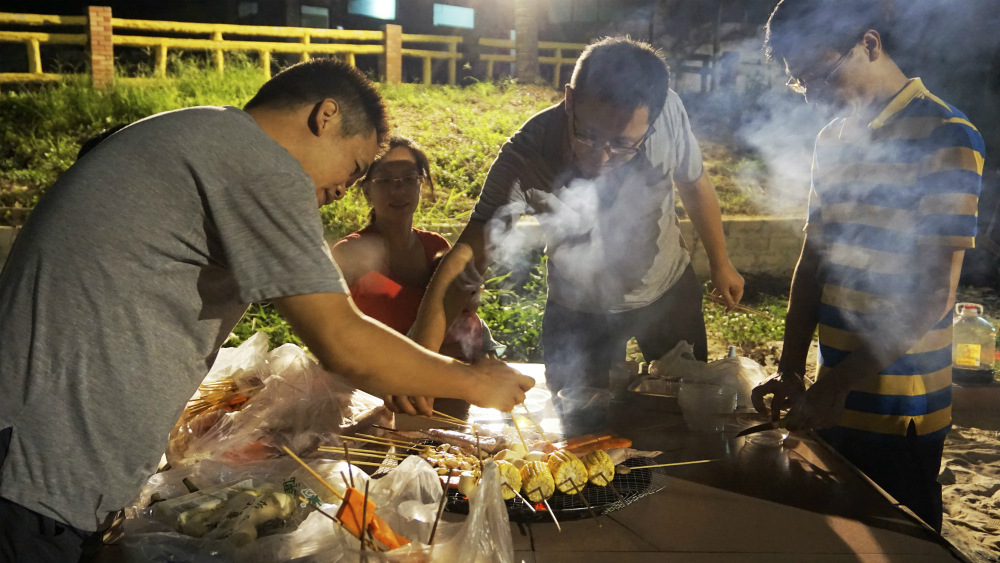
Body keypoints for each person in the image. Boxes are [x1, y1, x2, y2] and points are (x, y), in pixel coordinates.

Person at [0, 58, 533, 563]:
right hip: (33, 475)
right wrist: (475, 383)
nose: (346, 188)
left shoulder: (196, 136)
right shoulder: (256, 161)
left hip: (40, 464)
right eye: (356, 166)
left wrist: (402, 369)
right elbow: (340, 337)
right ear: (326, 117)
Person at [751, 0, 985, 533]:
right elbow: (812, 264)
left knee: (905, 540)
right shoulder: (831, 140)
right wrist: (792, 370)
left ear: (870, 44)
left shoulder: (947, 135)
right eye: (801, 84)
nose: (814, 96)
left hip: (902, 410)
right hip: (831, 398)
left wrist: (838, 386)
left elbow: (933, 294)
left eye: (820, 75)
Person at [452, 36, 745, 394]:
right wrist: (423, 357)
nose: (602, 157)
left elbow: (694, 182)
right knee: (579, 424)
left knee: (682, 406)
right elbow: (470, 250)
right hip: (577, 307)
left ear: (652, 122)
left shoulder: (667, 111)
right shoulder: (526, 157)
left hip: (667, 292)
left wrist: (721, 262)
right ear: (570, 99)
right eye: (588, 136)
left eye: (622, 145)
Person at [331, 136, 495, 414]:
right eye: (384, 180)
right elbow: (333, 338)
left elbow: (465, 310)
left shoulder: (437, 248)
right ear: (367, 191)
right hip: (377, 406)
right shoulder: (350, 253)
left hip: (447, 399)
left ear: (421, 185)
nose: (399, 190)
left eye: (409, 179)